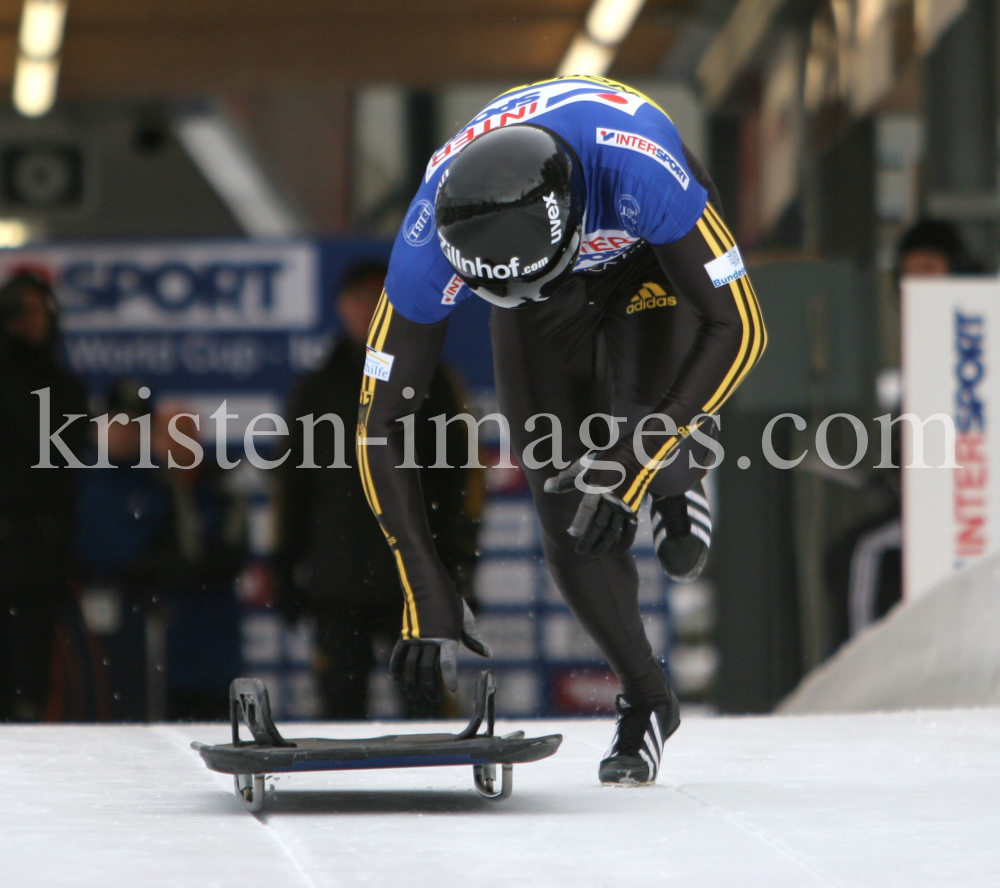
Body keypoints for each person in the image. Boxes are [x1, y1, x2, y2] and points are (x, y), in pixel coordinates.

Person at [357, 76, 766, 785]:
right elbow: (380, 423)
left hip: (650, 257)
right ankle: (647, 699)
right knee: (569, 515)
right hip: (536, 277)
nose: (532, 293)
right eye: (498, 290)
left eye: (537, 278)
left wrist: (636, 468)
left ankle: (678, 477)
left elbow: (740, 327)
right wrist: (423, 583)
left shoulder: (638, 170)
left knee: (639, 436)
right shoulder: (429, 233)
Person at [276, 262, 482, 719]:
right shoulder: (316, 387)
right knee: (338, 714)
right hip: (336, 582)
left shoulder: (434, 378)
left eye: (376, 300)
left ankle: (436, 787)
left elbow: (460, 481)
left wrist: (458, 565)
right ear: (341, 308)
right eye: (358, 301)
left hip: (414, 582)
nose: (367, 311)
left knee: (428, 712)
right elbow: (292, 485)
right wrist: (285, 568)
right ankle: (340, 793)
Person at [0, 270, 88, 721]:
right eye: (16, 310)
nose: (25, 321)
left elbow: (60, 469)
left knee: (30, 696)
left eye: (35, 310)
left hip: (37, 560)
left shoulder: (65, 387)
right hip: (25, 549)